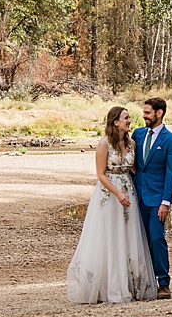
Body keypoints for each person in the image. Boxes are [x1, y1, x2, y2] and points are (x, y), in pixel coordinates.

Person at [65, 105, 160, 303]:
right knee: (109, 237)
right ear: (115, 122)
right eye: (126, 118)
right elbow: (100, 174)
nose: (130, 121)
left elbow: (135, 169)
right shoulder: (104, 144)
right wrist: (117, 194)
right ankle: (106, 287)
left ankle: (129, 284)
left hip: (128, 192)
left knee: (128, 237)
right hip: (109, 194)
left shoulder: (132, 143)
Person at [133, 97, 172, 299]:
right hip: (136, 197)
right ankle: (143, 282)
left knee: (156, 238)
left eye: (147, 113)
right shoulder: (138, 134)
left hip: (157, 201)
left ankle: (163, 282)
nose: (144, 116)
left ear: (159, 113)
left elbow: (171, 173)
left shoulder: (170, 140)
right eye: (143, 112)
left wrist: (165, 202)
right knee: (137, 241)